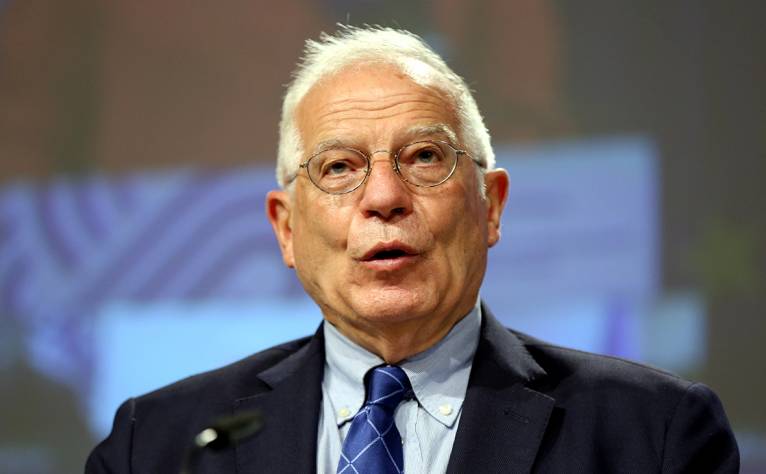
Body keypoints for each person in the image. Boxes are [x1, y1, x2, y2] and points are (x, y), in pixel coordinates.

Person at [86, 26, 739, 473]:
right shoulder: (161, 444)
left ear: (491, 206)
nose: (384, 197)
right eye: (339, 167)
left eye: (424, 157)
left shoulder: (652, 433)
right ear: (285, 228)